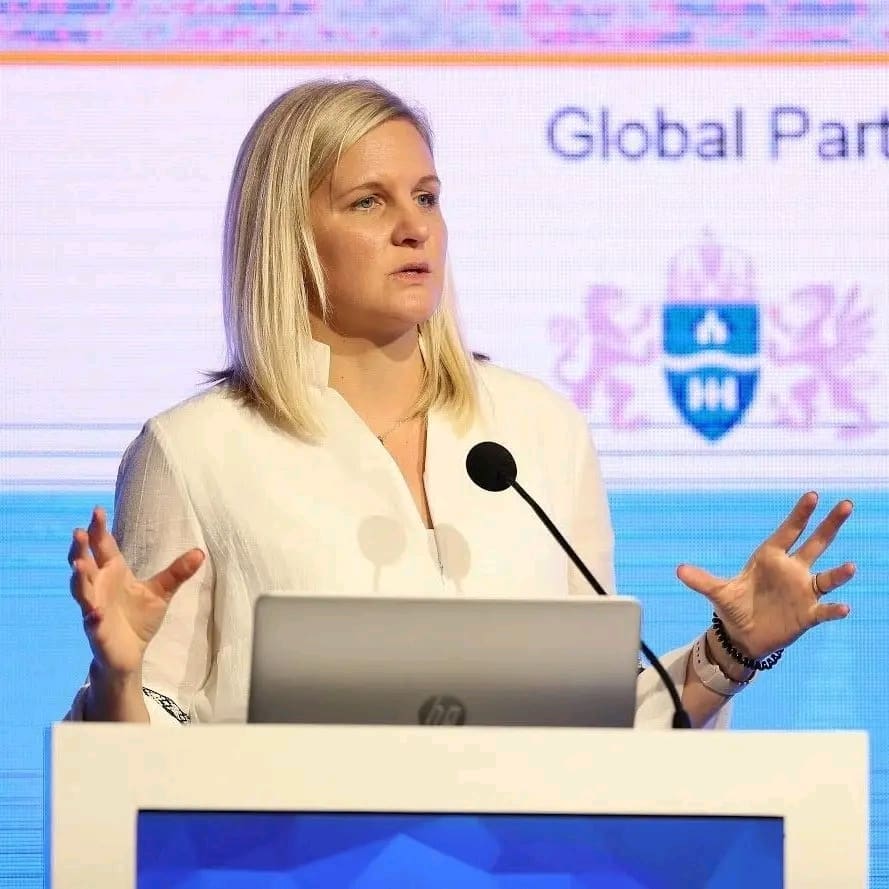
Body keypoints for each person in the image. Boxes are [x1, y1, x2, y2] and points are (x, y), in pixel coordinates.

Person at [66, 79, 855, 728]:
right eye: (368, 202)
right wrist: (120, 677)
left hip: (525, 850)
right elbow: (149, 742)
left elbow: (600, 721)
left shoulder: (537, 430)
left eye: (426, 196)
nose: (414, 227)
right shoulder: (195, 450)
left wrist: (729, 651)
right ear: (287, 234)